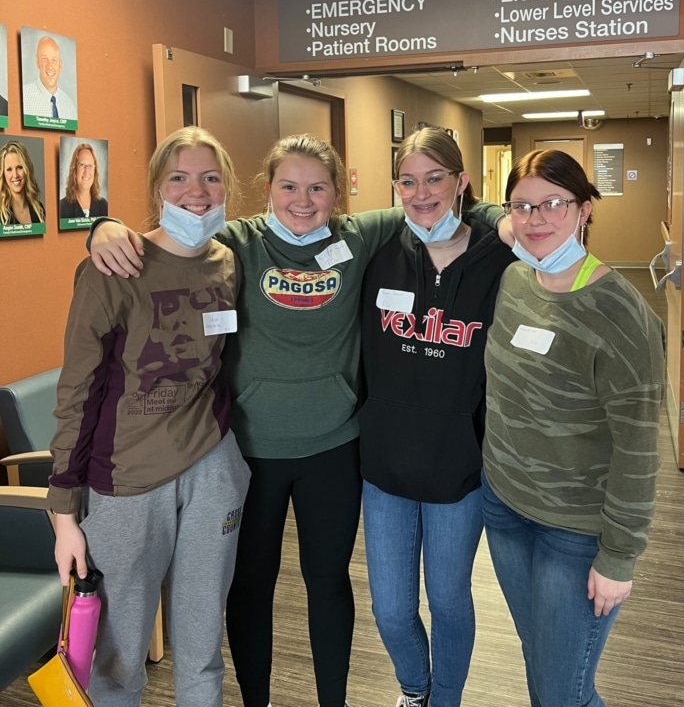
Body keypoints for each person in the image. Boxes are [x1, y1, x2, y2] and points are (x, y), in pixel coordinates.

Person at [88, 133, 507, 707]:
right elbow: (168, 240)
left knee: (328, 584)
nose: (303, 201)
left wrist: (507, 221)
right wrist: (103, 227)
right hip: (248, 449)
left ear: (338, 194)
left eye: (318, 188)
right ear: (267, 189)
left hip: (334, 448)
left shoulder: (358, 236)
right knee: (252, 588)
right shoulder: (234, 242)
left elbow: (438, 200)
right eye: (289, 187)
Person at [48, 126, 250, 707]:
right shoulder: (113, 266)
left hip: (212, 466)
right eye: (179, 178)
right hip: (126, 481)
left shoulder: (227, 262)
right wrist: (64, 511)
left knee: (203, 643)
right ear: (158, 187)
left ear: (227, 187)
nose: (197, 192)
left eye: (210, 177)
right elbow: (77, 390)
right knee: (117, 657)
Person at [482, 149, 666, 707]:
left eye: (553, 204)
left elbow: (638, 450)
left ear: (584, 210)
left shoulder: (622, 314)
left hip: (575, 532)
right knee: (540, 663)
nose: (535, 219)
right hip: (505, 507)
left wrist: (619, 558)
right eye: (522, 206)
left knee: (564, 691)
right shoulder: (515, 279)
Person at [359, 127, 514, 707]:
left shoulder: (500, 258)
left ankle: (445, 698)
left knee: (448, 600)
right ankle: (414, 688)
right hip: (384, 469)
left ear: (461, 181)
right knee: (390, 608)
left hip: (460, 468)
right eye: (408, 181)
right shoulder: (377, 253)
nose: (421, 194)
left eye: (435, 179)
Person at [22, 35, 77, 120]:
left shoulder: (69, 106)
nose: (50, 66)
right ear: (37, 61)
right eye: (44, 59)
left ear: (60, 65)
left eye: (54, 60)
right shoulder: (24, 97)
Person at [0, 140, 46, 225]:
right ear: (3, 174)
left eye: (19, 167)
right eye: (9, 169)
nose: (15, 175)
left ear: (26, 169)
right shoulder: (1, 213)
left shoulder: (39, 209)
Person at [60, 143, 108, 219]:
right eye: (82, 165)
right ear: (74, 170)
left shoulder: (104, 206)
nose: (86, 171)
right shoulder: (62, 208)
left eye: (90, 166)